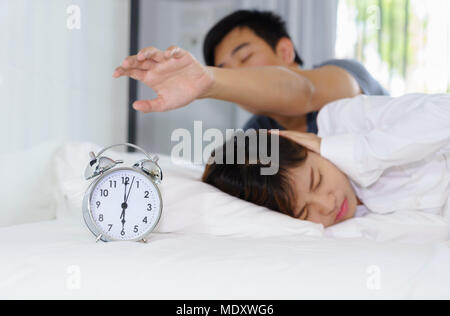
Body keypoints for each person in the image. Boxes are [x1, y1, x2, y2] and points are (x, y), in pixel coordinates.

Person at [113, 10, 388, 133]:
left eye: (244, 57)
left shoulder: (344, 74)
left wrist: (210, 80)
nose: (236, 77)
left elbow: (306, 91)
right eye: (225, 71)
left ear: (285, 51)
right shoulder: (255, 137)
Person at [202, 93, 450, 228]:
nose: (327, 205)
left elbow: (444, 112)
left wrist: (347, 151)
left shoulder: (343, 120)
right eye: (304, 211)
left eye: (316, 180)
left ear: (303, 144)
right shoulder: (331, 236)